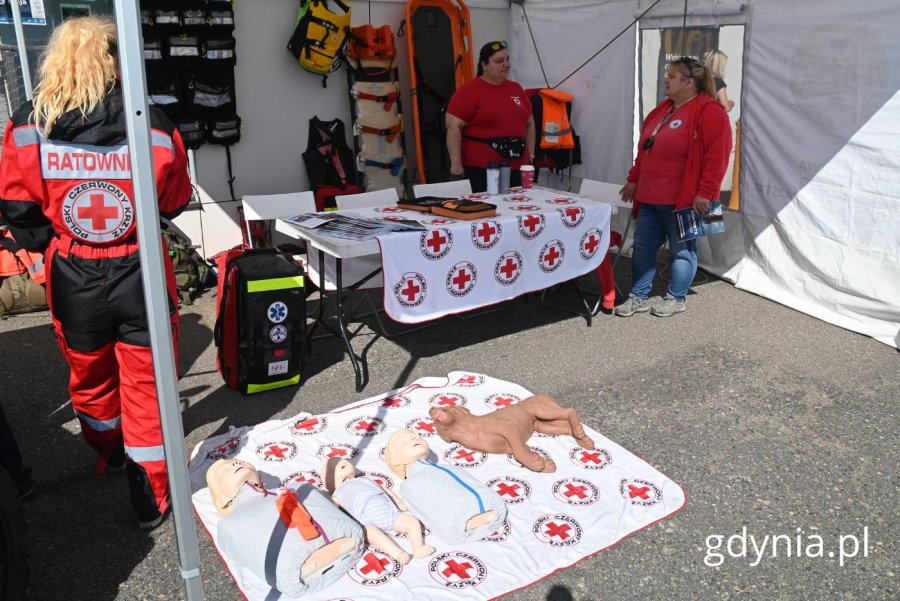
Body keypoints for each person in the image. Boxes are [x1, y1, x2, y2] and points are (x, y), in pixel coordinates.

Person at [0, 16, 192, 528]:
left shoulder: (26, 124)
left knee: (89, 378)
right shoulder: (150, 122)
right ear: (116, 59)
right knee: (147, 387)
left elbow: (17, 209)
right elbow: (173, 200)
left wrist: (55, 243)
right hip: (140, 268)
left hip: (73, 274)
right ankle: (150, 496)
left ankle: (107, 451)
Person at [615, 57, 732, 317]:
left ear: (689, 82)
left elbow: (718, 156)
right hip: (650, 196)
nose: (666, 79)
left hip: (685, 200)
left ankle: (676, 298)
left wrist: (706, 192)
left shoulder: (710, 111)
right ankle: (639, 296)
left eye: (672, 75)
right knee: (643, 246)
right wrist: (634, 178)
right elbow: (644, 148)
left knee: (683, 250)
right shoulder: (664, 109)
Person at [446, 40, 536, 192]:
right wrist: (456, 165)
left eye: (507, 59)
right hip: (483, 170)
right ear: (484, 65)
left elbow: (530, 123)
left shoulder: (516, 89)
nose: (506, 64)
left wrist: (531, 155)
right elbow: (452, 126)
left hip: (517, 168)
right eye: (499, 61)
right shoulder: (470, 91)